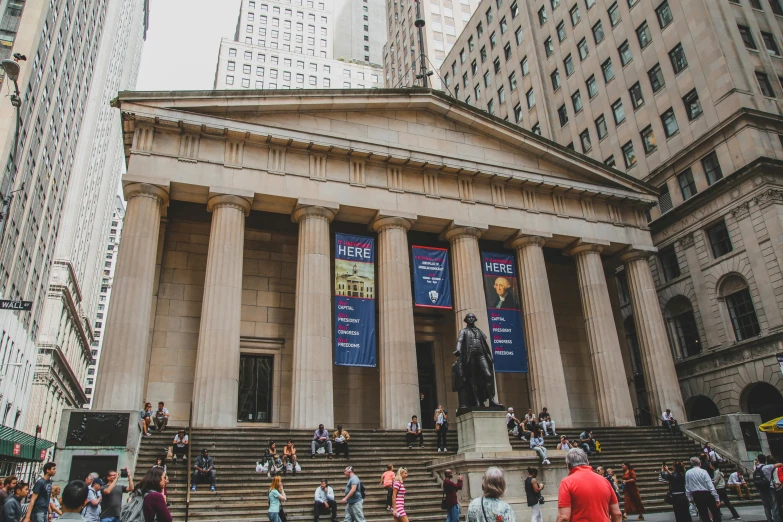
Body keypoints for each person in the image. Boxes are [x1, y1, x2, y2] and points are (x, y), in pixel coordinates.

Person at [557, 448, 622, 522]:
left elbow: (563, 517)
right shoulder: (605, 481)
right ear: (587, 462)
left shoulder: (566, 482)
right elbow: (617, 514)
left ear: (568, 465)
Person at [685, 456, 721, 522]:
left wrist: (689, 497)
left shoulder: (688, 473)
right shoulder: (703, 471)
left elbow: (687, 486)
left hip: (696, 494)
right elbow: (710, 485)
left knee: (703, 513)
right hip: (706, 493)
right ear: (700, 463)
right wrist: (716, 497)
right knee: (715, 512)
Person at [754, 454, 781, 522]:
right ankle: (776, 519)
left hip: (761, 488)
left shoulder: (756, 468)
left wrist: (755, 463)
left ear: (758, 460)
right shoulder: (768, 467)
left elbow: (754, 467)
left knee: (766, 505)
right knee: (774, 505)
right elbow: (780, 464)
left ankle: (769, 519)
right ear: (765, 460)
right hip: (769, 487)